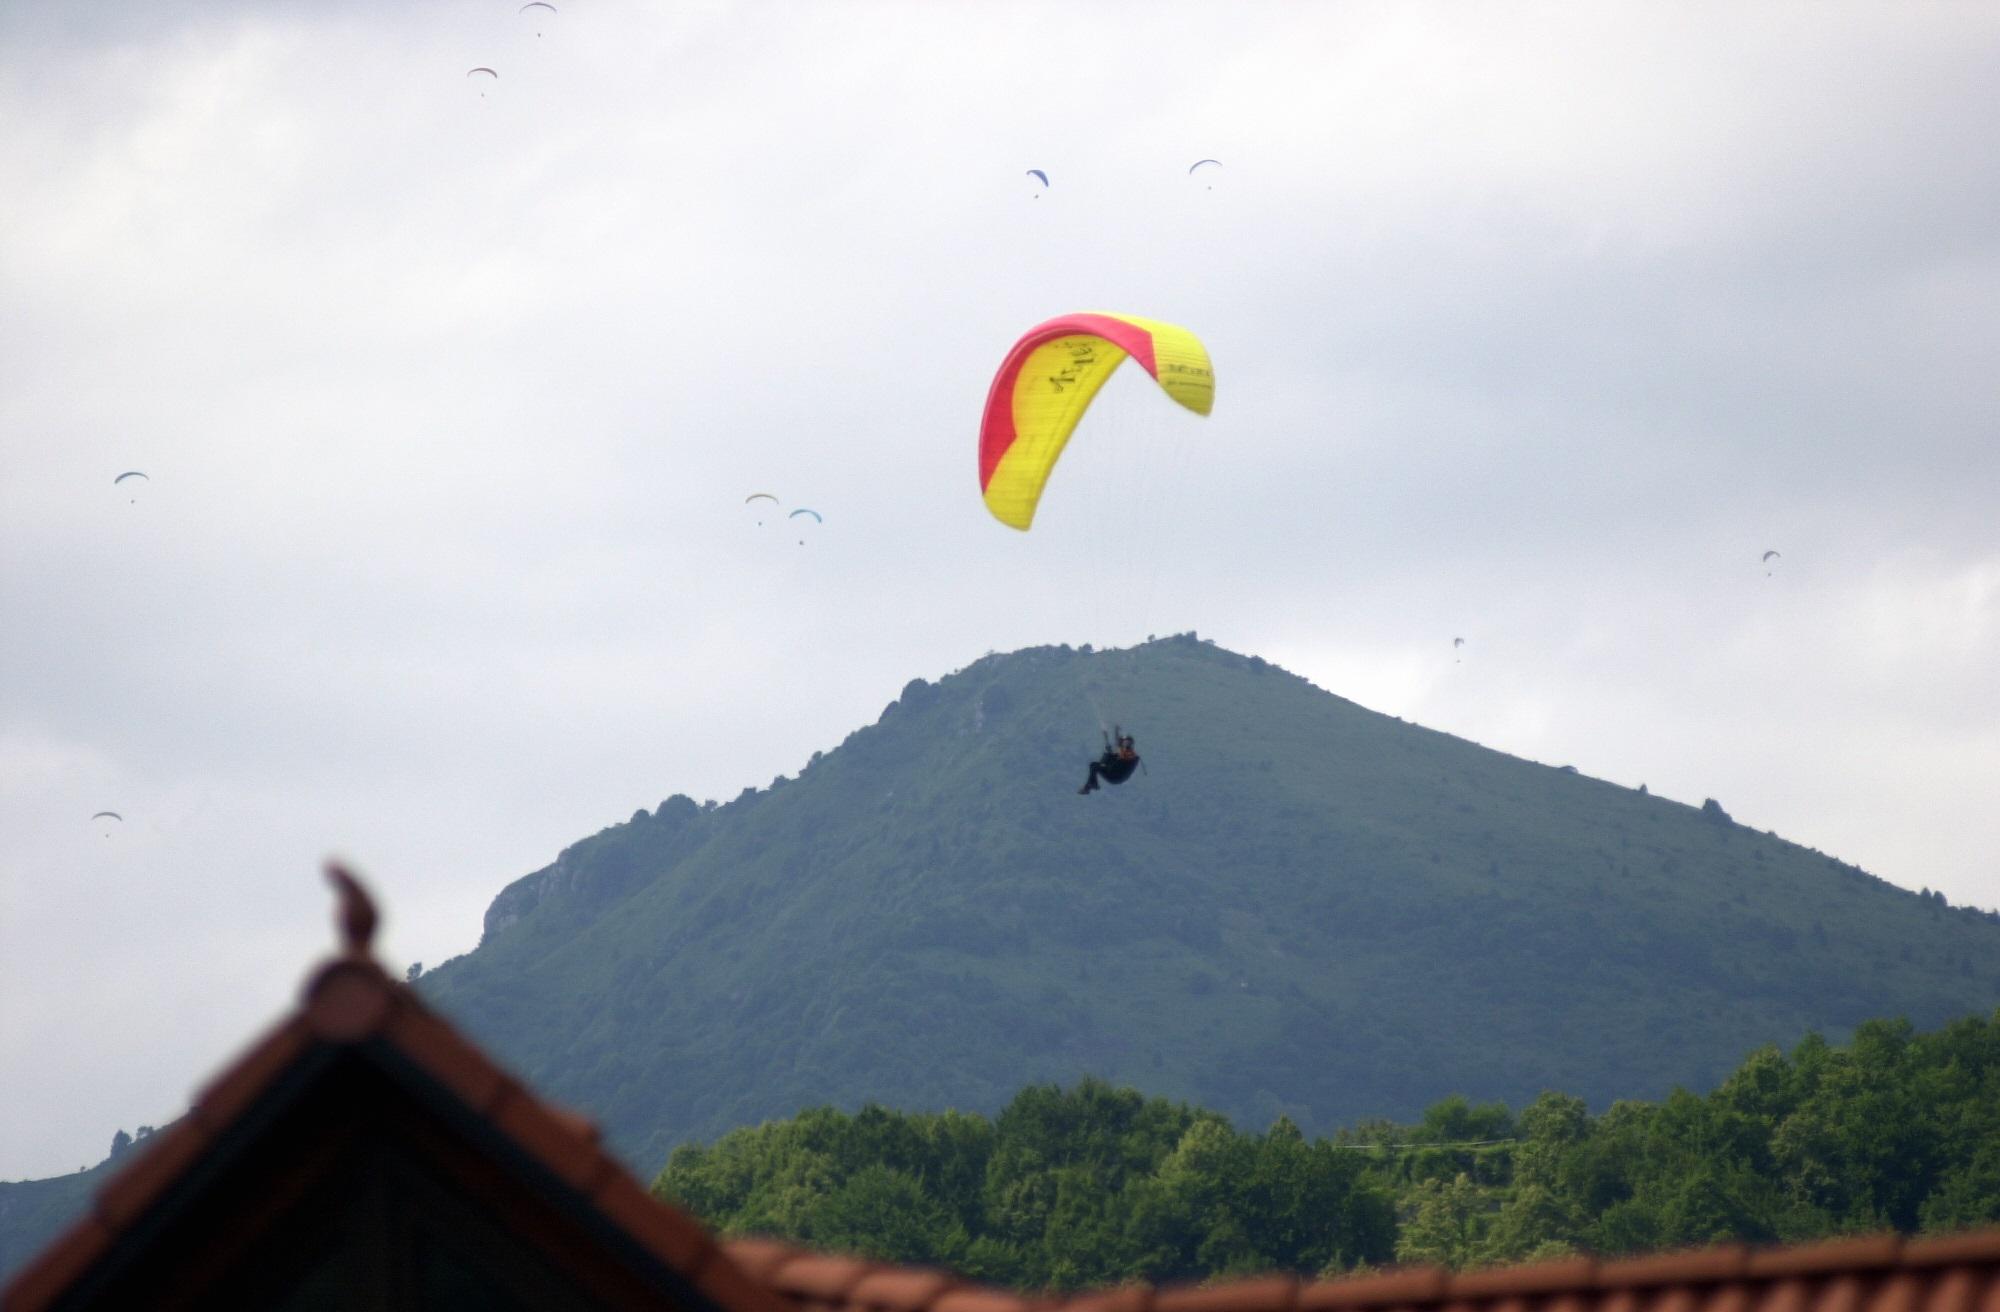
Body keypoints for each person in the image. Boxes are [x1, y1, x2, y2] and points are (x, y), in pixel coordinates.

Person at [1079, 727, 1140, 794]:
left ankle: (1092, 785)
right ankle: (1091, 785)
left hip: (1115, 776)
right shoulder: (1125, 754)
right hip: (1115, 775)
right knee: (1094, 765)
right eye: (1125, 742)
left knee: (1096, 765)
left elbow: (1120, 752)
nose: (1125, 744)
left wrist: (1116, 733)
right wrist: (1108, 753)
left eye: (1127, 743)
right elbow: (1104, 762)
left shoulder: (1130, 754)